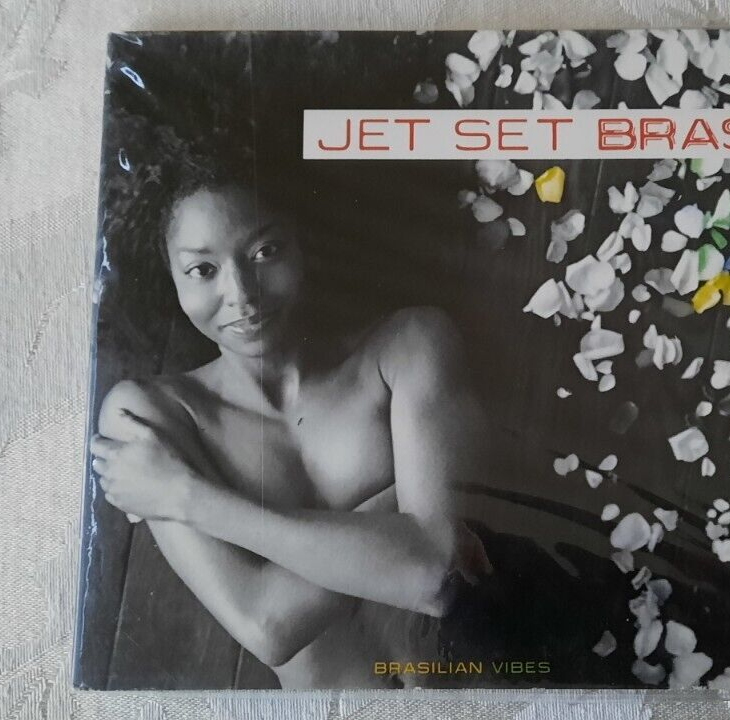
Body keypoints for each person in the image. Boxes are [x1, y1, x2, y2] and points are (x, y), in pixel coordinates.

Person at [89, 166, 493, 688]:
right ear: (168, 275)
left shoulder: (409, 344)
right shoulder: (150, 415)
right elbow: (267, 626)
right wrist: (406, 523)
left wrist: (189, 497)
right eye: (203, 270)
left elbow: (435, 576)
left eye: (265, 251)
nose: (241, 294)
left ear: (302, 241)